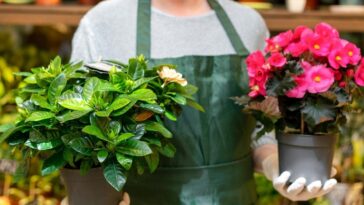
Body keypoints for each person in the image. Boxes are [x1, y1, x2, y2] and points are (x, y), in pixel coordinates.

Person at [70, 0, 337, 204]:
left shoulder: (247, 24)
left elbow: (258, 130)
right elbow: (78, 139)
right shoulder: (104, 23)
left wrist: (275, 166)